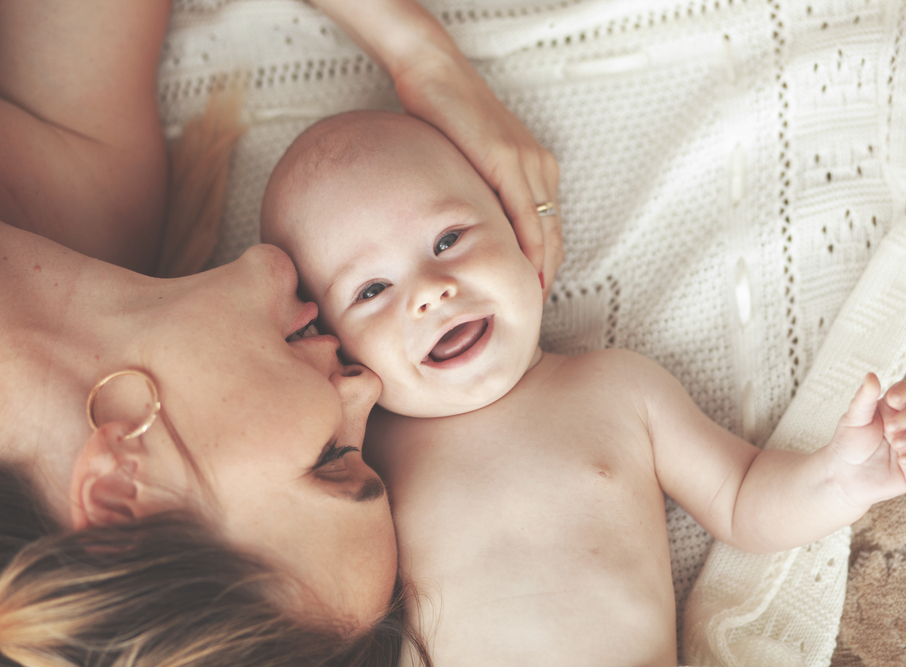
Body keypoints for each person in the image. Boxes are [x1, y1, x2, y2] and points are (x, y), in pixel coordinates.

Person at [260, 110, 906, 666]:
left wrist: (839, 478)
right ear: (335, 347)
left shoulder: (618, 388)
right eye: (372, 289)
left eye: (448, 239)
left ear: (523, 236)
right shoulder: (366, 458)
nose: (430, 292)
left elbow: (743, 499)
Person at [0, 0, 559, 663]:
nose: (367, 385)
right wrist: (421, 56)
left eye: (331, 458)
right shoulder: (87, 196)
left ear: (122, 492)